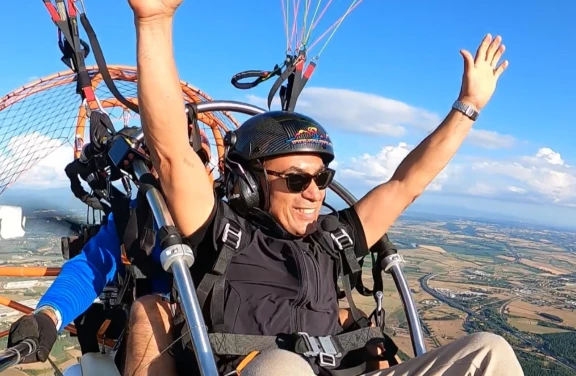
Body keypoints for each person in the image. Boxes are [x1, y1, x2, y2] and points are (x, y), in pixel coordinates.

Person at [124, 1, 523, 376]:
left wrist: (468, 105)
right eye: (296, 180)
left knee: (489, 351)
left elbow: (405, 185)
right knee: (284, 368)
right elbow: (173, 154)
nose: (314, 192)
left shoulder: (331, 242)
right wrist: (154, 21)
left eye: (321, 179)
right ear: (249, 183)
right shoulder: (222, 234)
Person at [6, 125, 214, 371]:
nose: (180, 175)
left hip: (220, 331)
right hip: (159, 330)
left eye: (193, 162)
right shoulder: (133, 219)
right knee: (149, 312)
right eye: (167, 163)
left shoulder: (228, 218)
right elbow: (91, 266)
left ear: (209, 172)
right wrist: (50, 314)